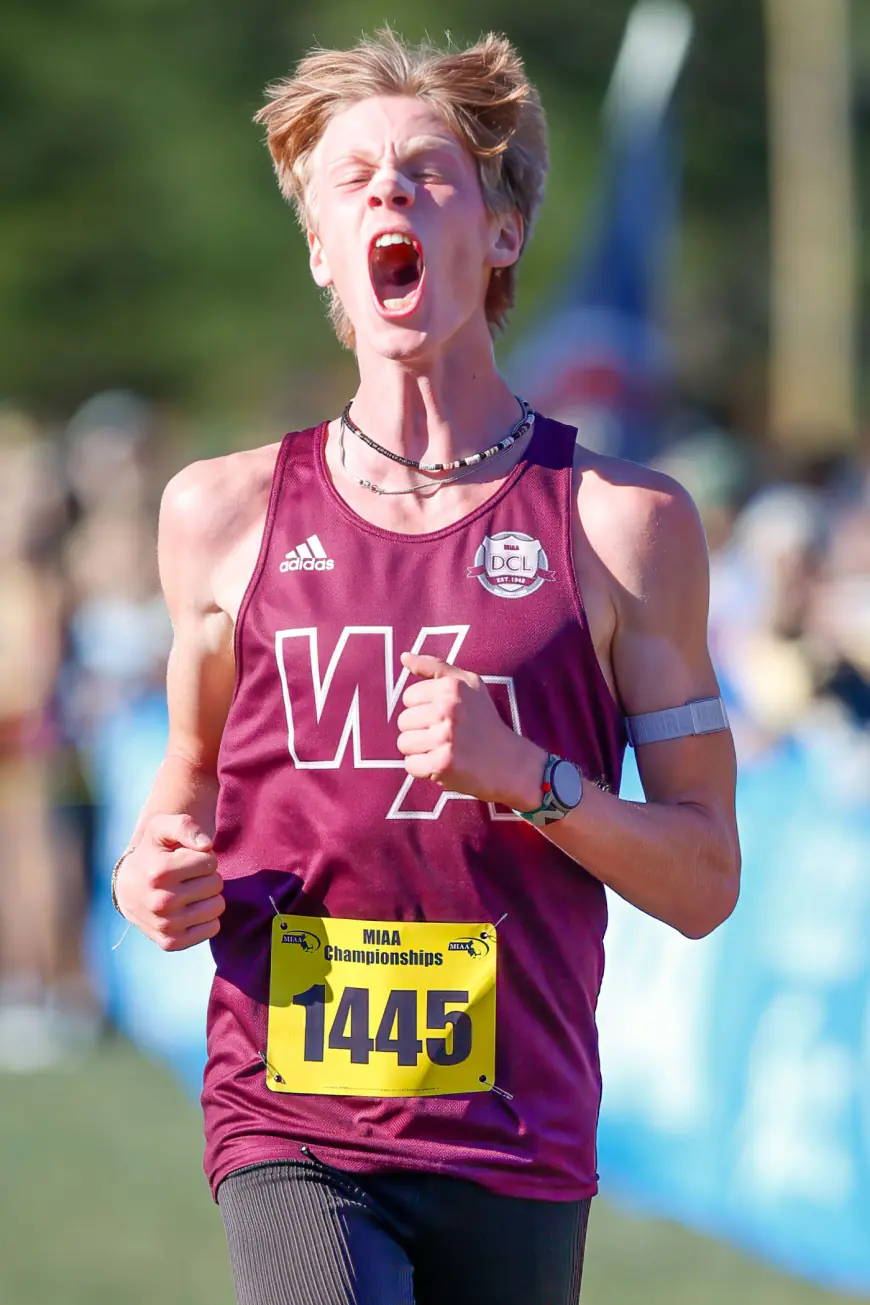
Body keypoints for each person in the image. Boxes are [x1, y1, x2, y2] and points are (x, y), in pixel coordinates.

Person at [113, 31, 740, 1305]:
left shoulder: (623, 523)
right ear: (318, 252)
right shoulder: (220, 518)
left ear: (502, 236)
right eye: (352, 180)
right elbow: (175, 808)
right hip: (291, 1121)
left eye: (428, 174)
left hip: (520, 1129)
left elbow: (706, 878)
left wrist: (528, 779)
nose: (388, 196)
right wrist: (152, 883)